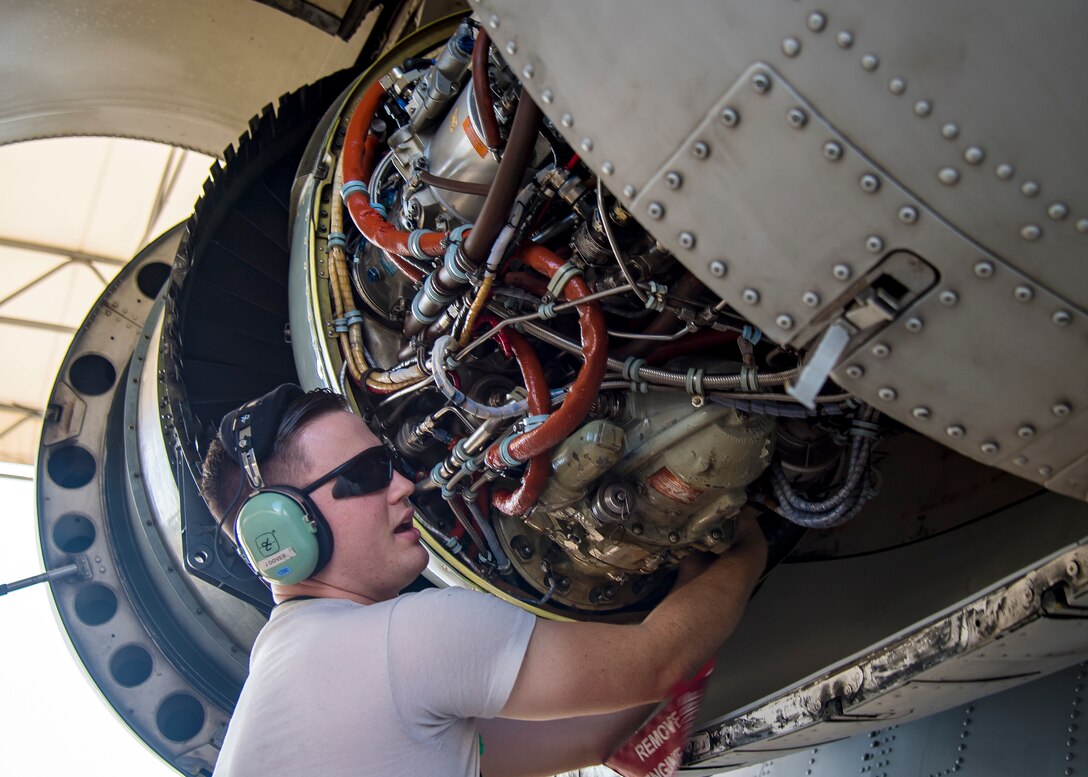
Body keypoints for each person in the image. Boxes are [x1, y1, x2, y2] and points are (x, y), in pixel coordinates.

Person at [200, 386, 767, 777]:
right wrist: (745, 549)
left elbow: (589, 732)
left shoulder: (296, 676)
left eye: (391, 462)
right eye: (369, 474)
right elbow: (656, 666)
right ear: (283, 531)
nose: (405, 486)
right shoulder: (403, 642)